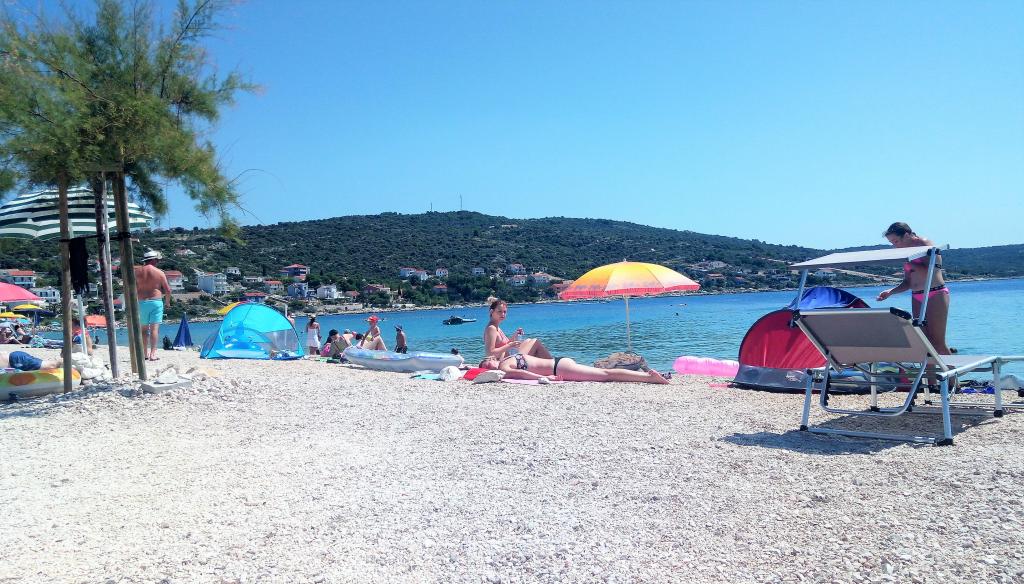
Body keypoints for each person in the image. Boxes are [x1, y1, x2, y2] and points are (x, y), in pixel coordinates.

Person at [876, 222, 951, 355]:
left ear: (906, 235)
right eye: (892, 243)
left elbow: (930, 272)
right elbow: (908, 282)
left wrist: (910, 263)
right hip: (917, 295)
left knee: (938, 343)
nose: (895, 245)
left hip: (935, 293)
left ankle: (951, 370)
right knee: (924, 343)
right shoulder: (906, 252)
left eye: (896, 241)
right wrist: (890, 292)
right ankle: (929, 370)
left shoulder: (924, 244)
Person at [478, 353, 669, 384]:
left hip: (559, 369)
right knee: (605, 375)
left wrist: (543, 378)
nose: (489, 367)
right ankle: (648, 376)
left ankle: (648, 378)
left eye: (487, 365)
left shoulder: (503, 364)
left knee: (606, 375)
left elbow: (516, 373)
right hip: (560, 362)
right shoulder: (510, 356)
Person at [483, 296, 552, 359]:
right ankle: (553, 363)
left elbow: (504, 345)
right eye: (499, 311)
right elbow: (490, 353)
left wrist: (515, 335)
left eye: (505, 312)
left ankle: (548, 364)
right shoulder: (491, 328)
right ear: (491, 312)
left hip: (508, 357)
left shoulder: (497, 327)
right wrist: (510, 345)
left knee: (528, 341)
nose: (503, 314)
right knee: (535, 342)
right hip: (505, 361)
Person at [134, 249, 172, 361]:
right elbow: (168, 290)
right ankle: (153, 354)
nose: (158, 262)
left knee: (143, 330)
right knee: (154, 329)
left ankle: (144, 354)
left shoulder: (136, 272)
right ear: (154, 260)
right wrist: (167, 302)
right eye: (157, 260)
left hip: (141, 302)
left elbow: (132, 288)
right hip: (155, 302)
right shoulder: (159, 272)